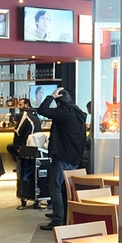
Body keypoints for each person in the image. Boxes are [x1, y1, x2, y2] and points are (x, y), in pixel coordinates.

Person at [37, 87, 86, 230]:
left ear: (59, 102)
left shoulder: (64, 112)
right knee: (66, 188)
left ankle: (58, 220)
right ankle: (64, 216)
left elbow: (42, 110)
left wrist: (51, 96)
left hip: (62, 156)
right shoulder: (78, 113)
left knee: (55, 187)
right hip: (74, 157)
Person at [6, 98, 41, 163]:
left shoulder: (24, 114)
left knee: (10, 147)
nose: (18, 106)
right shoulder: (34, 113)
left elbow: (18, 131)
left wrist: (16, 144)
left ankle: (20, 163)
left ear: (26, 105)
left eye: (20, 105)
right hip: (37, 143)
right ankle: (23, 163)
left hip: (28, 143)